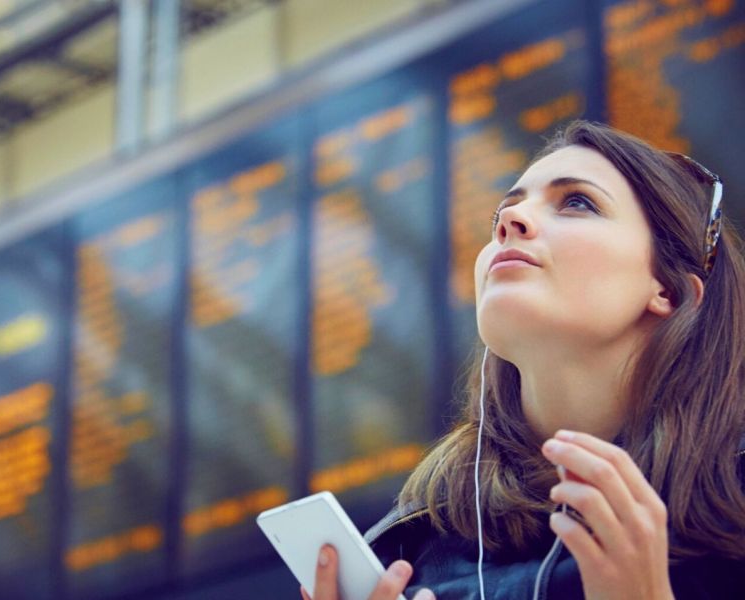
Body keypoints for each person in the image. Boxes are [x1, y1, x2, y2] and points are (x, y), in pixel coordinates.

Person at [301, 120, 745, 600]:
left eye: (578, 202)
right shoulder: (407, 552)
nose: (508, 224)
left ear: (670, 291)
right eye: (506, 210)